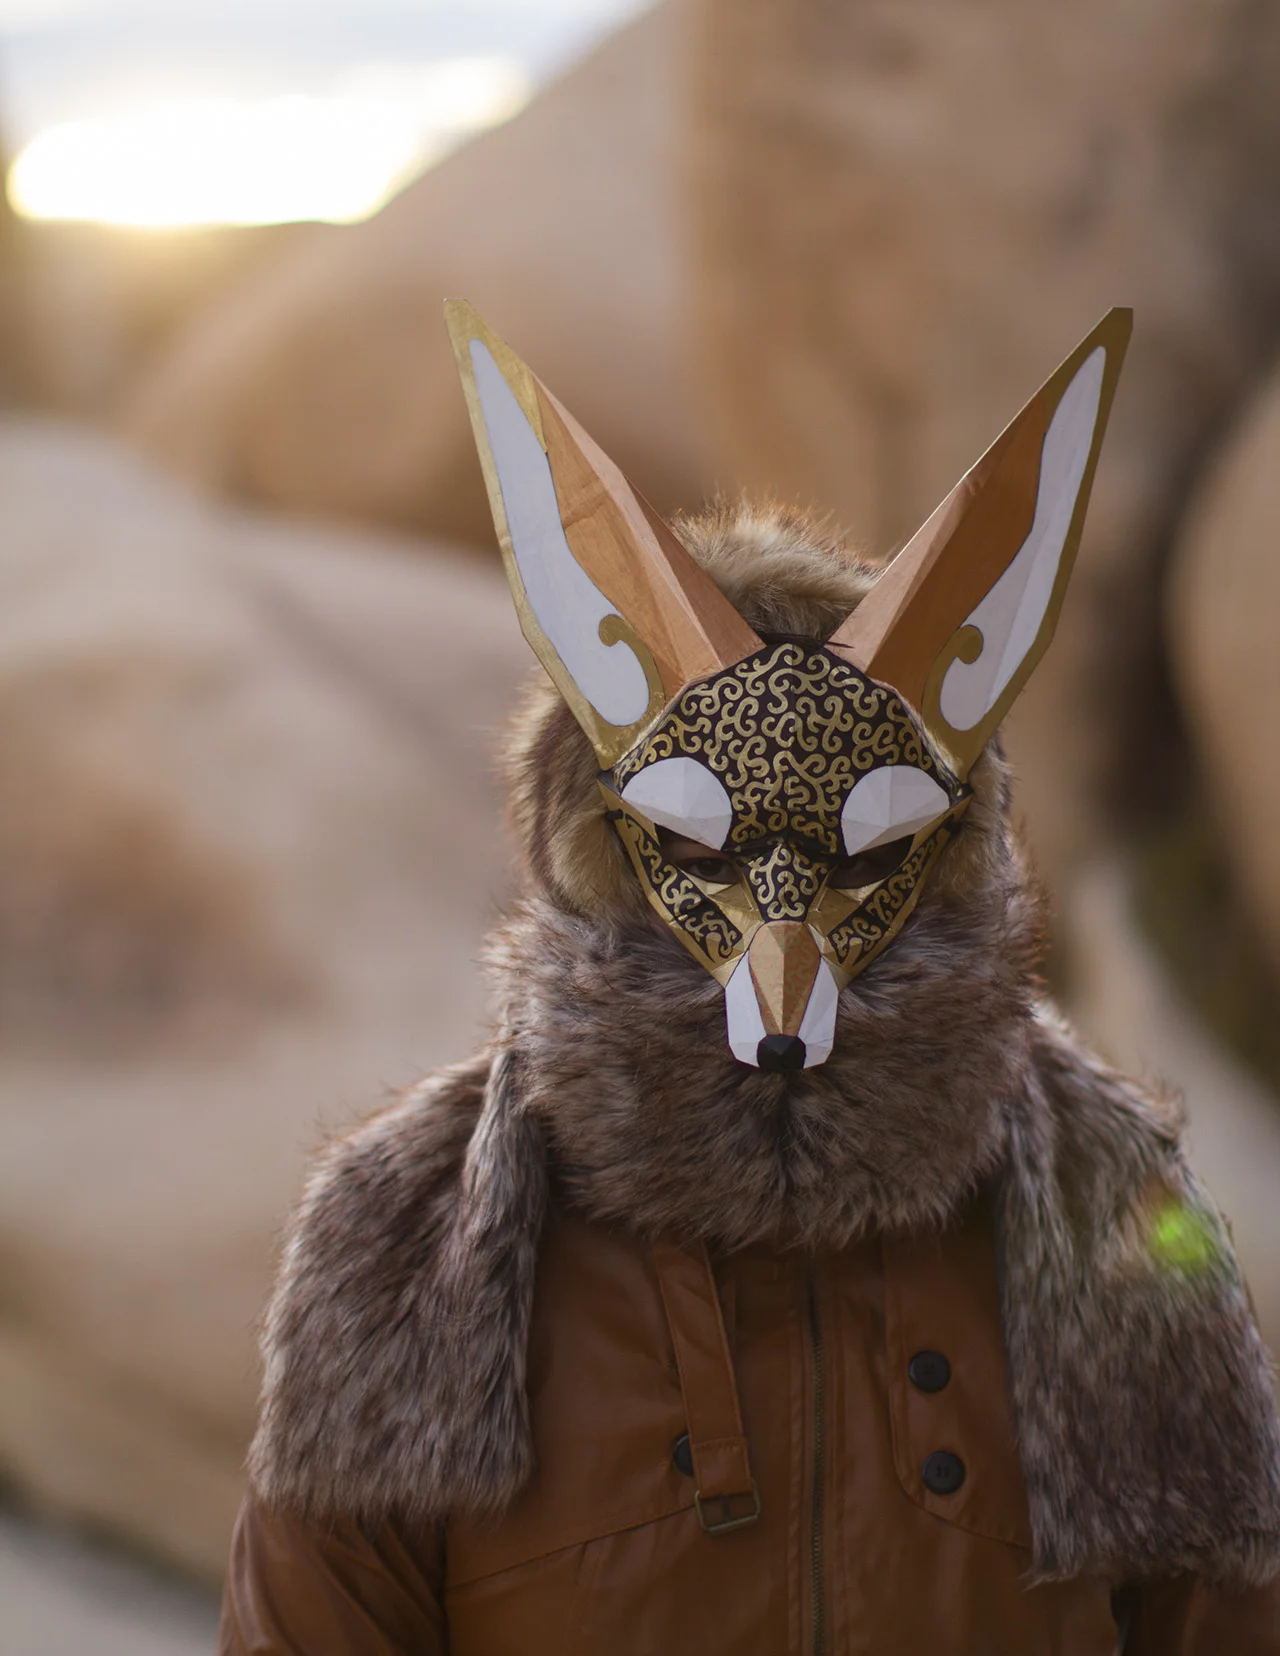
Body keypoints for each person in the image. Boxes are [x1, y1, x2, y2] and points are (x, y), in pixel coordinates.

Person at [219, 304, 1280, 1654]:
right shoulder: (411, 1246)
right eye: (706, 846)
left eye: (860, 848)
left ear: (940, 843)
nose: (785, 947)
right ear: (607, 840)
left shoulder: (1116, 1218)